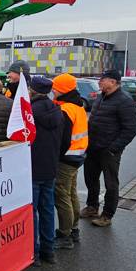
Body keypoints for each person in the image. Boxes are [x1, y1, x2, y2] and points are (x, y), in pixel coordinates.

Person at [81, 69, 136, 227]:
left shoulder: (124, 101)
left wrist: (113, 148)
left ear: (113, 82)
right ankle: (92, 207)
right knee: (90, 179)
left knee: (111, 184)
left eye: (103, 79)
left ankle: (107, 215)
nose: (99, 82)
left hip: (109, 151)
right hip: (93, 148)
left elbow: (130, 130)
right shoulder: (101, 97)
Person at [28, 76, 67, 265]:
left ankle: (33, 253)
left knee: (32, 211)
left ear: (33, 90)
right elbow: (65, 140)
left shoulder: (30, 111)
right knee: (47, 209)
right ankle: (48, 250)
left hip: (33, 167)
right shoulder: (58, 110)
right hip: (50, 166)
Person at [51, 73, 88, 249]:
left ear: (62, 89)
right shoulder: (77, 105)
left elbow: (62, 139)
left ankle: (65, 235)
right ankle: (73, 229)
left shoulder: (66, 110)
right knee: (71, 193)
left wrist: (54, 156)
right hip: (77, 156)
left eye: (55, 87)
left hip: (66, 158)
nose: (53, 90)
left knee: (61, 195)